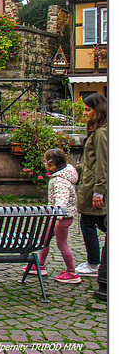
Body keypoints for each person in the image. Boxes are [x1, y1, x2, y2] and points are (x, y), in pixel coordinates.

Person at [27, 148, 80, 283]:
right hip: (56, 216)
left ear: (52, 165)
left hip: (60, 218)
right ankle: (40, 264)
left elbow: (61, 202)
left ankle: (71, 272)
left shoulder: (60, 181)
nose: (43, 163)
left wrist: (57, 218)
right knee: (45, 239)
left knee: (62, 244)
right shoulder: (61, 176)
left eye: (45, 161)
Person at [75, 93, 107, 277]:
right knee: (98, 223)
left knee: (89, 223)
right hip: (91, 184)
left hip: (94, 186)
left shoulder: (102, 133)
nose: (85, 113)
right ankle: (95, 261)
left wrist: (99, 192)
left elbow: (103, 164)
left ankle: (94, 263)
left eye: (88, 110)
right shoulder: (99, 130)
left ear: (98, 110)